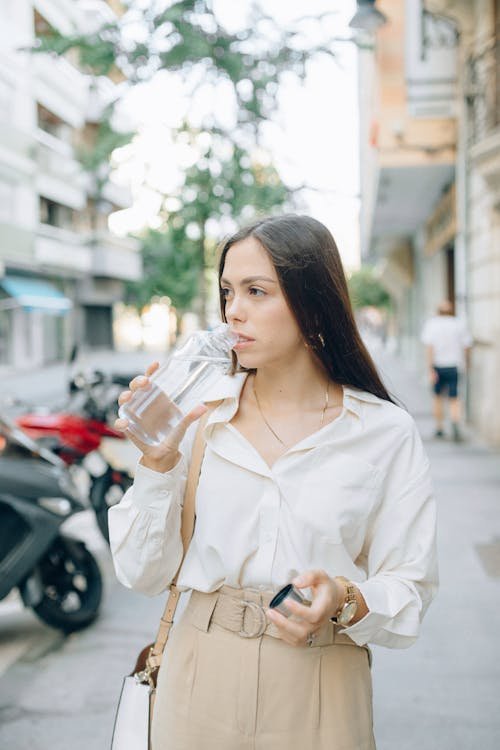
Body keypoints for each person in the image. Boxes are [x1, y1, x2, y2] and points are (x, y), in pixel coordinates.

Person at [109, 214, 438, 750]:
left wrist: (344, 597)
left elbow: (412, 587)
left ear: (314, 304)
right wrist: (158, 464)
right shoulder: (199, 418)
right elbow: (142, 574)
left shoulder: (383, 432)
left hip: (322, 681)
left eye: (256, 291)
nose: (233, 311)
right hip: (198, 674)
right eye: (227, 292)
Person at [421, 299, 472, 442]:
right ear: (451, 310)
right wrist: (467, 363)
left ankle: (439, 427)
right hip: (454, 366)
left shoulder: (432, 324)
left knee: (437, 397)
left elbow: (429, 348)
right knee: (454, 397)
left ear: (438, 311)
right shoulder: (459, 324)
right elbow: (467, 346)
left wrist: (430, 368)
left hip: (438, 366)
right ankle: (455, 422)